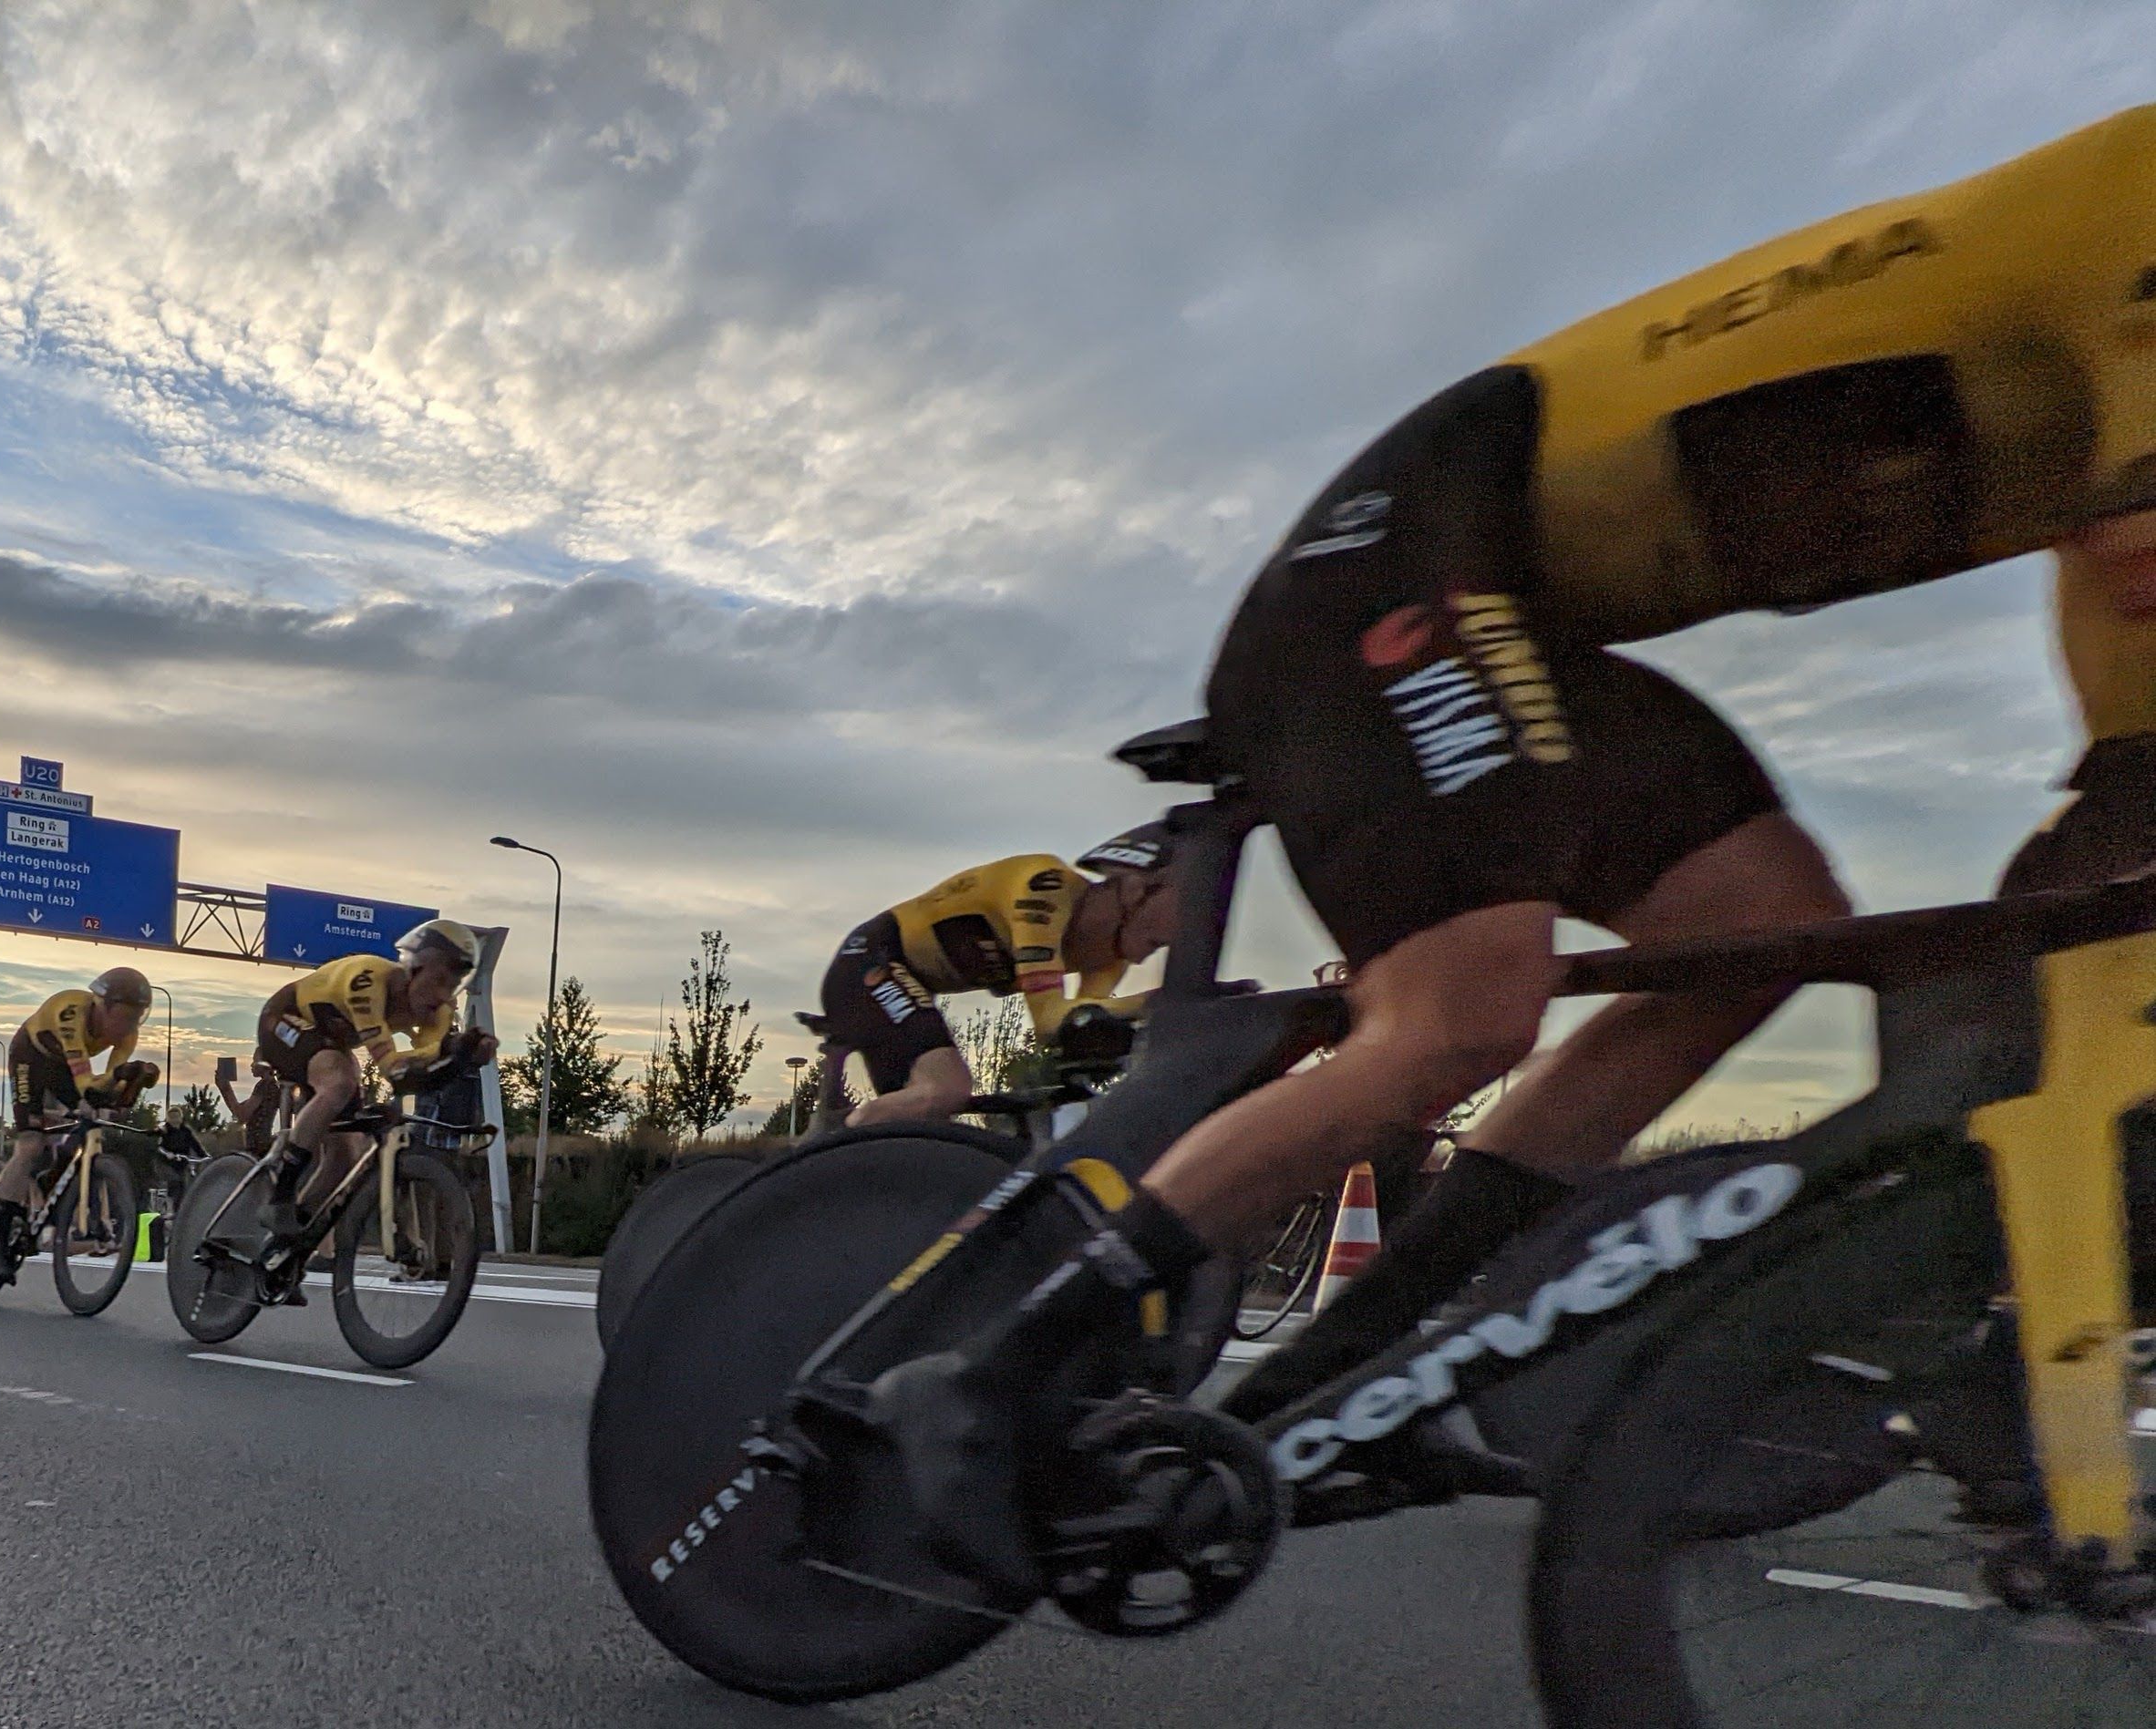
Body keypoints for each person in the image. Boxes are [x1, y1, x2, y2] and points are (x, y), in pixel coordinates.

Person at [886, 103, 2156, 1592]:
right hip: (1411, 548)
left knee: (1759, 933)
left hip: (1535, 633)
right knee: (1464, 1007)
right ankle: (982, 1366)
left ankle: (1376, 1358)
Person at [819, 825, 1181, 1127]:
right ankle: (828, 1147)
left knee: (918, 1127)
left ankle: (832, 1150)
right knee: (946, 1090)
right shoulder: (1046, 887)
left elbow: (1084, 1021)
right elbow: (1051, 1021)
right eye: (1184, 899)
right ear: (1136, 888)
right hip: (871, 960)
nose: (1184, 927)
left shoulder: (1110, 955)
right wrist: (1170, 998)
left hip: (903, 977)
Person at [253, 921, 499, 1240]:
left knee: (347, 1154)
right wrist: (449, 1052)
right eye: (437, 980)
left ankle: (287, 1247)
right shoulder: (367, 983)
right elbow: (394, 1070)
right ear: (413, 969)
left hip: (330, 1043)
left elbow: (423, 1069)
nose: (442, 995)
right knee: (341, 1080)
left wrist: (460, 1056)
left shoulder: (439, 1012)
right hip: (283, 1018)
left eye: (452, 986)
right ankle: (281, 1193)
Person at [0, 968, 160, 1277]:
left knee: (92, 1119)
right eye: (123, 1016)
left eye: (136, 1019)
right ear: (101, 1006)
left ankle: (51, 1181)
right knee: (31, 1143)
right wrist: (115, 1079)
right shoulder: (70, 1014)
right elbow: (87, 1082)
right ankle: (0, 1235)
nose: (127, 1027)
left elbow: (108, 1087)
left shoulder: (128, 1035)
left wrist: (131, 1085)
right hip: (30, 1057)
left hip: (64, 1067)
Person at [213, 1055, 284, 1158]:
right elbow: (237, 1111)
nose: (251, 1065)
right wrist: (223, 1088)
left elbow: (242, 1116)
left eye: (255, 1061)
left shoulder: (264, 1085)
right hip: (262, 1145)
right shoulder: (272, 1085)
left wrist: (226, 1088)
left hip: (258, 1147)